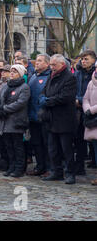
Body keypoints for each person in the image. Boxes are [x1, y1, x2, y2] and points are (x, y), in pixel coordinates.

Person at [39, 54, 77, 184]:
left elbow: (66, 97)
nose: (52, 67)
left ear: (62, 64)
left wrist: (48, 101)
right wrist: (43, 98)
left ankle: (70, 173)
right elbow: (44, 90)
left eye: (54, 65)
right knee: (53, 148)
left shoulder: (70, 77)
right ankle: (56, 171)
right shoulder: (52, 75)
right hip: (51, 118)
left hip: (65, 118)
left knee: (66, 149)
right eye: (51, 64)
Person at [0, 65, 30, 177]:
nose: (12, 73)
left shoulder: (24, 87)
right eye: (11, 71)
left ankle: (19, 168)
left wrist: (4, 109)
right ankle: (11, 166)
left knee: (17, 146)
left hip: (16, 120)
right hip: (4, 120)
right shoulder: (5, 86)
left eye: (15, 72)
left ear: (20, 74)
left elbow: (20, 102)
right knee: (8, 145)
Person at [27, 54, 51, 176]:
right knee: (36, 143)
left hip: (45, 116)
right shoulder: (33, 77)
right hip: (33, 116)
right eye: (36, 61)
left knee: (47, 143)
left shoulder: (50, 77)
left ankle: (49, 167)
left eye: (40, 61)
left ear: (47, 64)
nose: (37, 63)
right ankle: (39, 166)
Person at [74, 50, 96, 176]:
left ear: (93, 60)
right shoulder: (78, 73)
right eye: (82, 59)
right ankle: (79, 165)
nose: (83, 61)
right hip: (78, 111)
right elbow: (74, 88)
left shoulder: (95, 74)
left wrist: (81, 100)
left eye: (86, 59)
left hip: (91, 109)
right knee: (79, 139)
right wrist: (76, 99)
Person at [82, 62, 97, 185]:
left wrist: (91, 110)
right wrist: (86, 109)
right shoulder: (91, 82)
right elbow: (85, 98)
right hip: (93, 119)